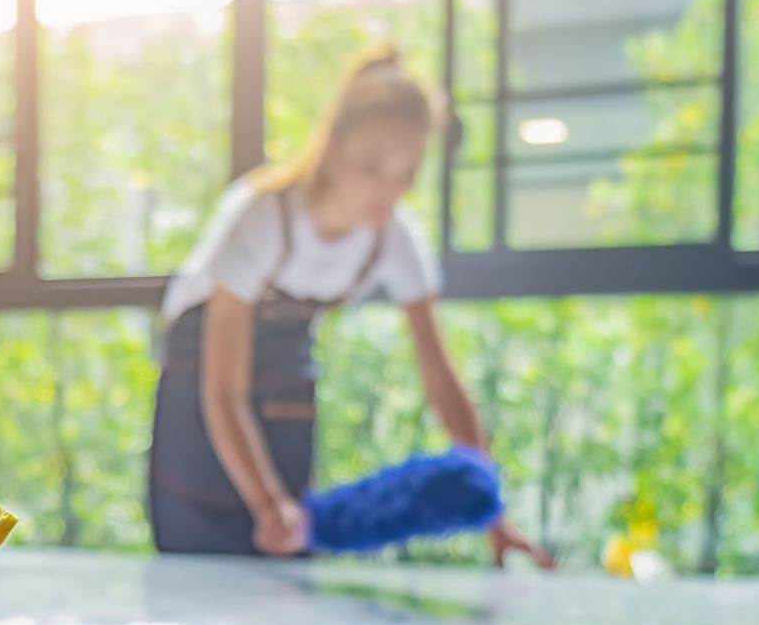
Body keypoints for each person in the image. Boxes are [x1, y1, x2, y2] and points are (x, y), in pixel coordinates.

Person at [150, 44, 551, 565]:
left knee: (290, 549)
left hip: (285, 371)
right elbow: (224, 391)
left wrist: (491, 514)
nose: (390, 188)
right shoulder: (262, 216)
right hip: (200, 376)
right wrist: (267, 502)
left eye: (407, 173)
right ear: (332, 149)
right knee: (200, 558)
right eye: (373, 167)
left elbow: (442, 379)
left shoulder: (396, 238)